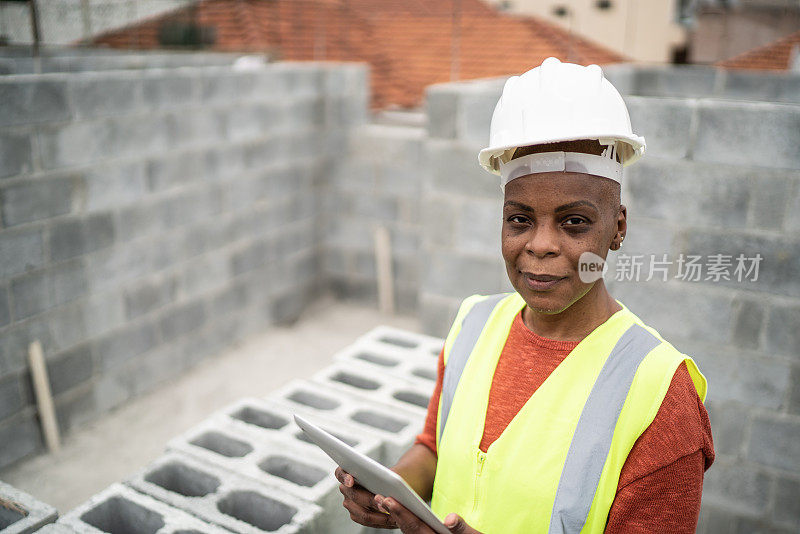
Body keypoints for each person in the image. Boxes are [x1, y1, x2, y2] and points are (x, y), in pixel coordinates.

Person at [335, 57, 714, 533]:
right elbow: (435, 447)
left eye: (574, 221)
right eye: (520, 219)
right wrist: (392, 491)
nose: (540, 244)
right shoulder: (474, 324)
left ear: (617, 228)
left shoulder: (661, 395)